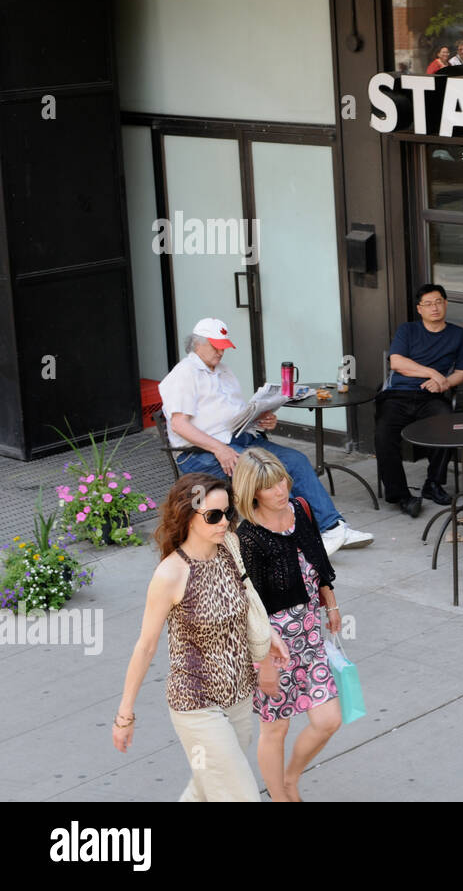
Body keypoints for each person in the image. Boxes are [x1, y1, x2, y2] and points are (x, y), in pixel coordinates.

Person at [112, 473, 290, 801]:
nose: (224, 522)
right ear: (187, 516)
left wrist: (268, 635)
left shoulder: (229, 546)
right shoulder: (170, 574)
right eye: (213, 516)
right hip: (195, 703)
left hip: (238, 692)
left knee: (207, 786)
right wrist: (125, 715)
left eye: (228, 513)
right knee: (241, 795)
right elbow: (146, 646)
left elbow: (246, 596)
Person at [158, 318, 372, 555]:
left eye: (223, 346)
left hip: (241, 439)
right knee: (267, 477)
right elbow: (179, 425)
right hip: (203, 452)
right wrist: (219, 448)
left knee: (297, 461)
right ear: (198, 344)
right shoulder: (184, 374)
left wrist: (260, 419)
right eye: (215, 346)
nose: (221, 352)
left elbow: (235, 412)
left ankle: (333, 528)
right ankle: (300, 538)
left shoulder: (224, 371)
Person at [233, 449, 342, 802]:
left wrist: (331, 602)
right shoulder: (248, 538)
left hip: (310, 637)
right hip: (272, 646)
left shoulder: (299, 510)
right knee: (275, 729)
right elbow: (249, 607)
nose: (280, 490)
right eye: (269, 487)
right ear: (253, 493)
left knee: (328, 721)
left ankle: (292, 777)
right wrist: (264, 663)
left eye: (281, 480)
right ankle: (279, 797)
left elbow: (318, 559)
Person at [375, 285, 463, 515]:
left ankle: (433, 484)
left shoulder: (458, 335)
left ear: (446, 303)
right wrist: (433, 373)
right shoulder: (408, 330)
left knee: (446, 423)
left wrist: (444, 382)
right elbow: (397, 363)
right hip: (398, 394)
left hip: (432, 396)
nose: (434, 308)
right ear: (419, 309)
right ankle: (401, 496)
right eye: (428, 304)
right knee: (384, 435)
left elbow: (462, 372)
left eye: (438, 302)